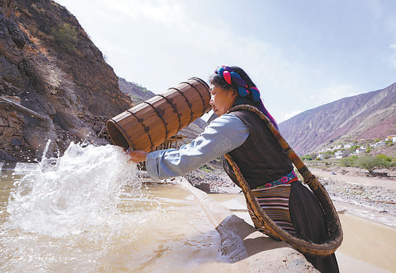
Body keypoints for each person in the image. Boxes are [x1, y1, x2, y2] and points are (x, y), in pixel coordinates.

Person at [128, 65, 339, 273]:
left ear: (232, 92)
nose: (210, 102)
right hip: (296, 202)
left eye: (214, 93)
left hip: (289, 208)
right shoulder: (251, 117)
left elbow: (190, 156)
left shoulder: (234, 123)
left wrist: (147, 159)